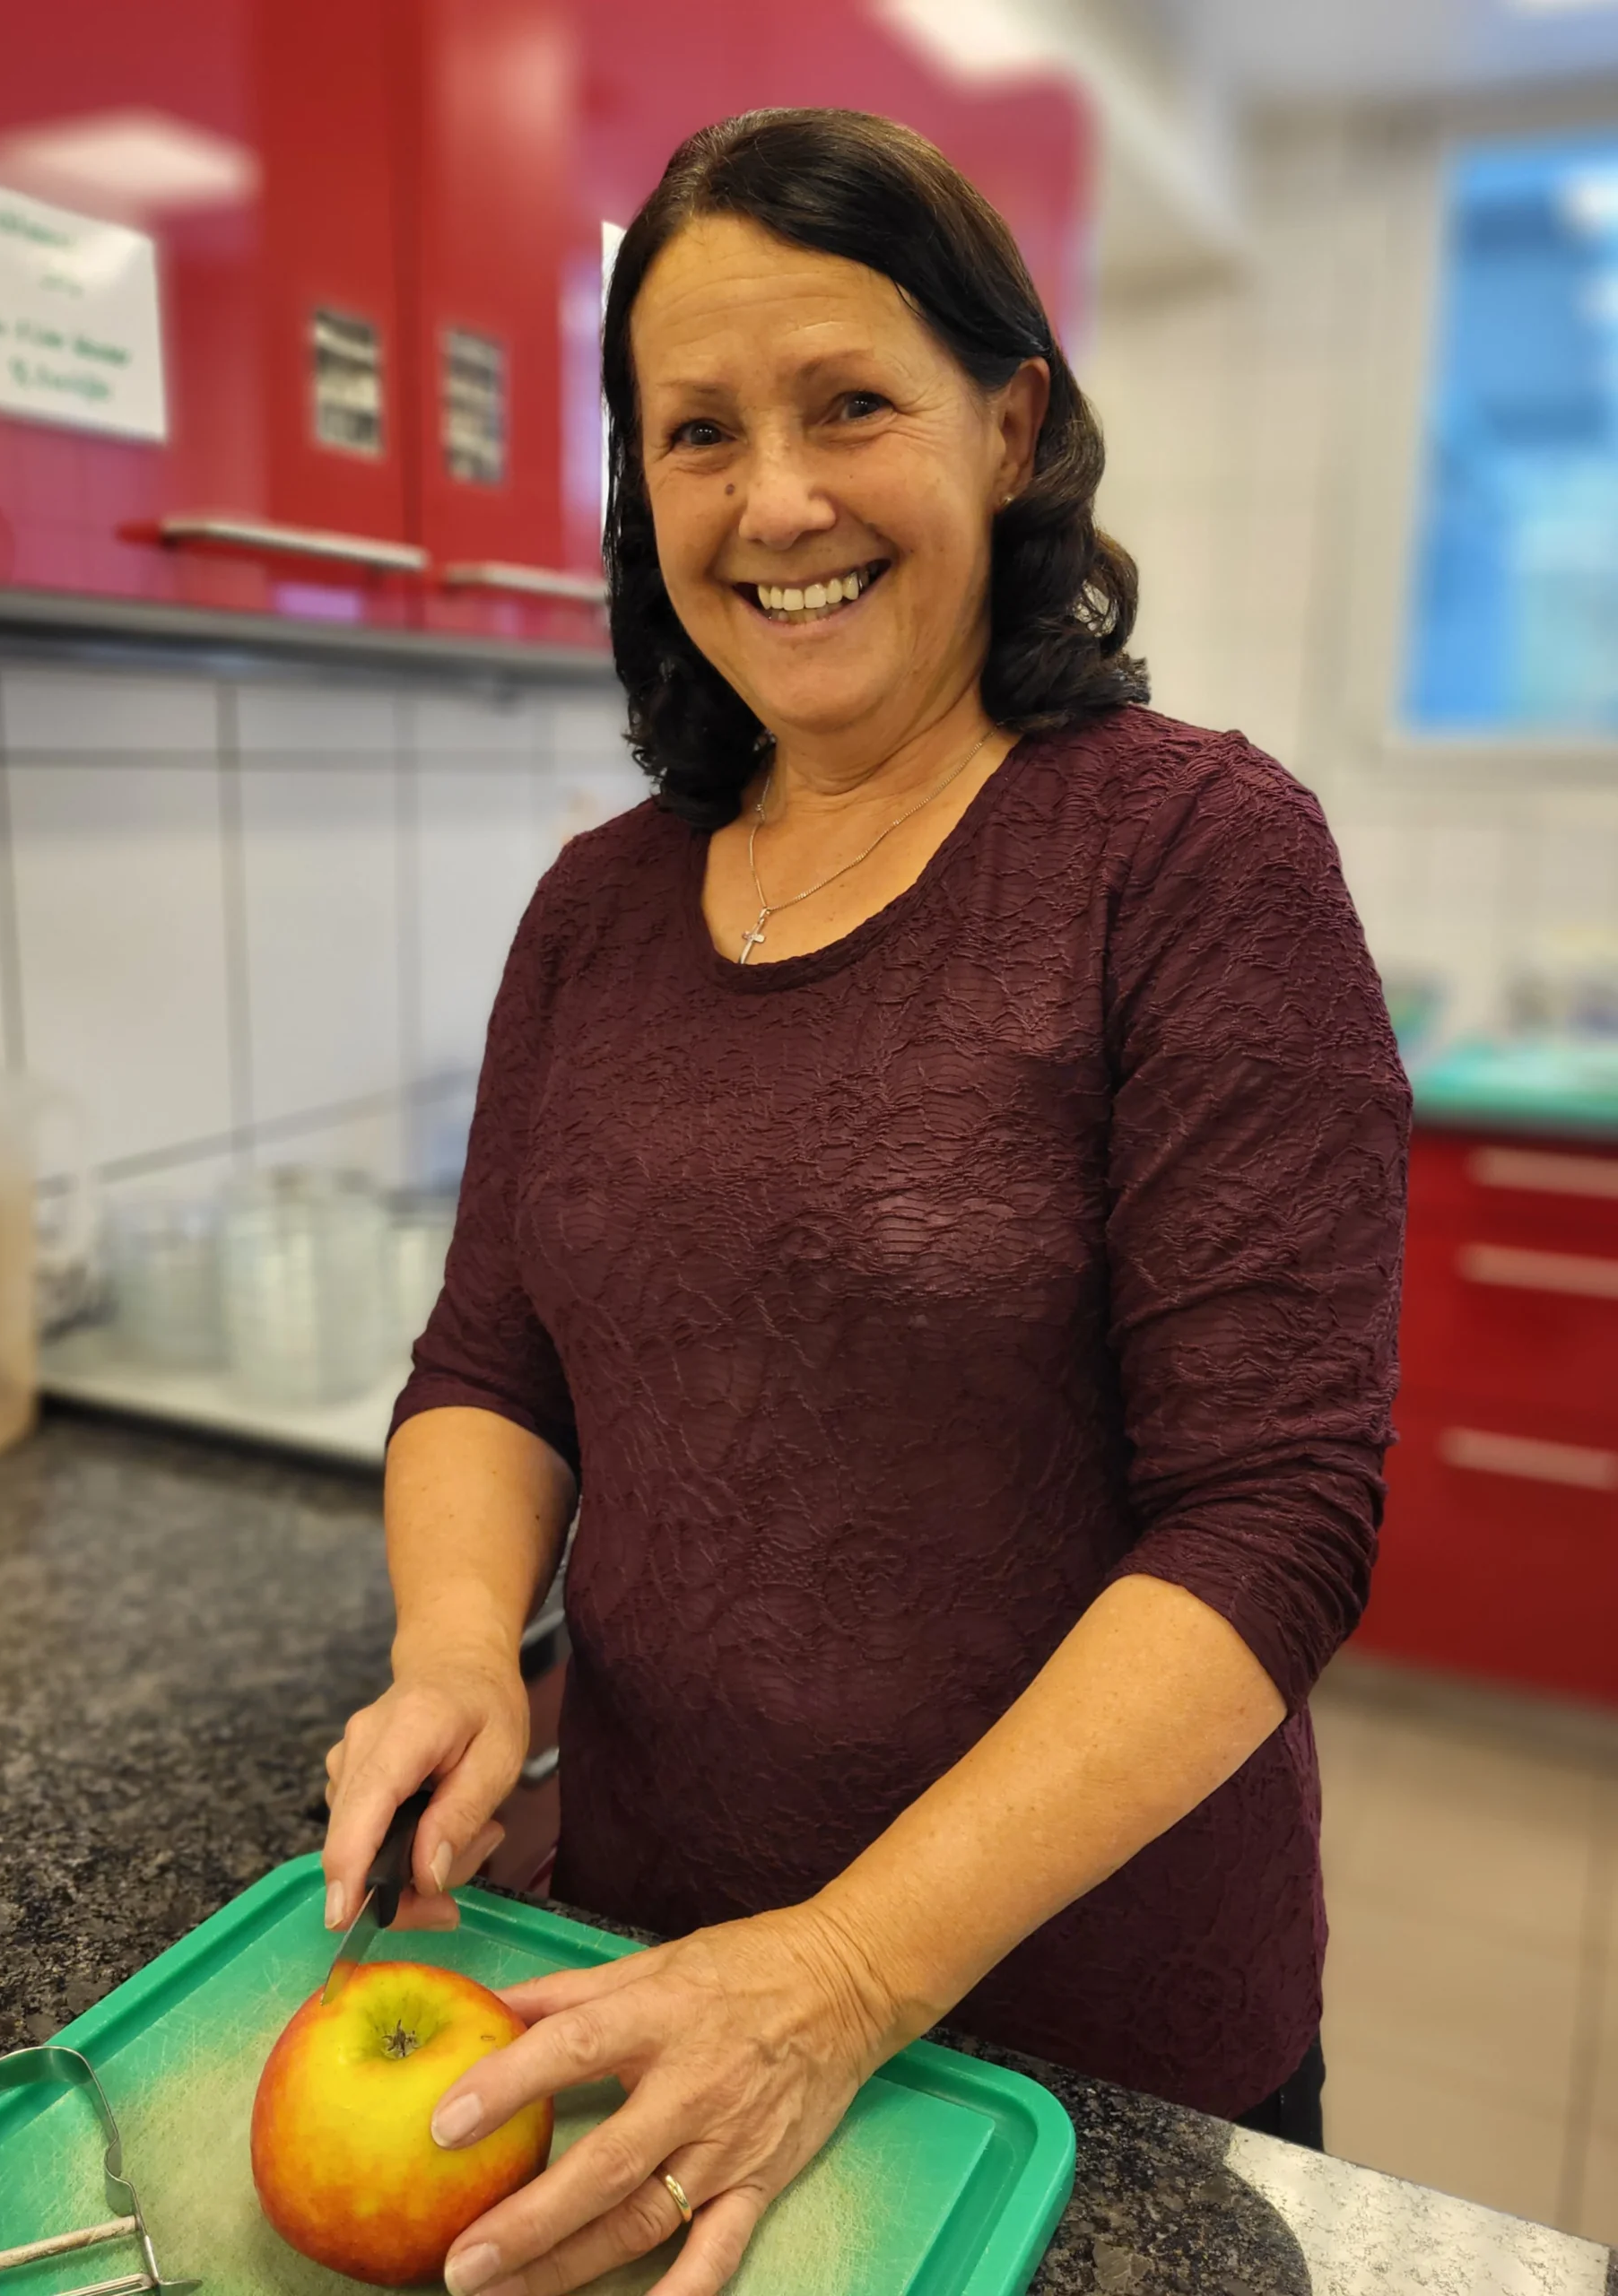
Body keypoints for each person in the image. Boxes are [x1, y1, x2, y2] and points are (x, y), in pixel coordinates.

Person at [322, 107, 1409, 2296]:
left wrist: (839, 1969)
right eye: (698, 432)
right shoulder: (596, 908)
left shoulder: (1189, 856)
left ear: (1008, 428)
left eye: (847, 406)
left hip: (1080, 2047)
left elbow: (1271, 1515)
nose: (777, 501)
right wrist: (454, 1651)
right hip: (643, 1965)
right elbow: (490, 1362)